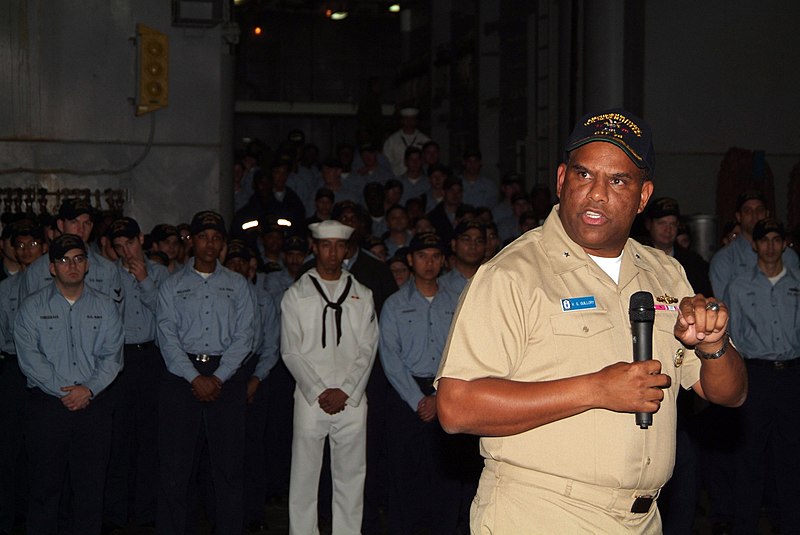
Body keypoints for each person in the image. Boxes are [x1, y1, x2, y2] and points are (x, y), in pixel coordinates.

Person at [435, 108, 748, 534]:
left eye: (617, 180)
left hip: (641, 519)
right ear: (562, 180)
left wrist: (714, 344)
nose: (596, 194)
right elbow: (456, 406)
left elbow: (728, 394)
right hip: (540, 514)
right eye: (584, 176)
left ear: (642, 196)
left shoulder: (665, 274)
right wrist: (596, 389)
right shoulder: (513, 274)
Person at [14, 233, 124, 535]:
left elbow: (112, 357)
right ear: (52, 268)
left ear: (87, 265)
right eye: (63, 260)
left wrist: (87, 389)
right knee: (44, 490)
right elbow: (30, 359)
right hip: (48, 408)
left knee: (90, 492)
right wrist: (68, 391)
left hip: (93, 406)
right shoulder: (32, 308)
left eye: (78, 259)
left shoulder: (105, 307)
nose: (71, 266)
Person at [156, 210, 256, 535]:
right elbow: (166, 336)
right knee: (176, 469)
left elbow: (246, 336)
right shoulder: (171, 286)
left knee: (228, 469)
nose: (209, 244)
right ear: (191, 241)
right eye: (203, 237)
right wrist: (194, 377)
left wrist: (218, 376)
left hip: (225, 376)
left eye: (216, 238)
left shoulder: (238, 285)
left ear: (223, 244)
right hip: (182, 376)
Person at [280, 220, 378, 535]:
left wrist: (346, 391)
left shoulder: (362, 294)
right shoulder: (296, 294)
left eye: (339, 245)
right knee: (304, 476)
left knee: (351, 477)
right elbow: (291, 350)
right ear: (315, 247)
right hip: (311, 399)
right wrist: (320, 390)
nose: (332, 252)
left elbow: (369, 347)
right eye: (326, 245)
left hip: (351, 399)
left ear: (347, 249)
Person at [379, 232, 463, 534]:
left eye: (435, 256)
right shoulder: (394, 304)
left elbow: (463, 351)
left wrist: (438, 396)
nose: (429, 263)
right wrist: (418, 399)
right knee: (404, 476)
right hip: (406, 398)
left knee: (446, 476)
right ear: (411, 260)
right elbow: (390, 358)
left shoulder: (457, 302)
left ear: (443, 261)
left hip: (447, 392)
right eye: (422, 256)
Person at [726, 217, 800, 534]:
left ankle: (791, 524)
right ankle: (744, 525)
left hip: (792, 376)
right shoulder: (740, 285)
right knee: (749, 456)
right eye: (764, 239)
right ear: (754, 244)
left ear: (784, 244)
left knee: (791, 456)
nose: (770, 245)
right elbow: (732, 336)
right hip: (755, 375)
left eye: (776, 239)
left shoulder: (797, 282)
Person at [103, 217, 170, 530]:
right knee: (118, 441)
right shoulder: (108, 275)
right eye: (118, 247)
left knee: (150, 440)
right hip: (119, 360)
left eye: (128, 243)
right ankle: (117, 513)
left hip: (150, 359)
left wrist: (145, 281)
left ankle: (146, 512)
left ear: (140, 240)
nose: (124, 251)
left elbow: (168, 316)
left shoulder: (160, 273)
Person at [0, 221, 47, 535]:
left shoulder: (57, 284)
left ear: (44, 247)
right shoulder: (5, 289)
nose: (27, 250)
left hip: (49, 373)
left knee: (43, 450)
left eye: (33, 244)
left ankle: (40, 518)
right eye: (21, 244)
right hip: (14, 370)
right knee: (9, 449)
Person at [20, 198, 123, 309]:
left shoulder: (107, 270)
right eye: (74, 222)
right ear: (61, 225)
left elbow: (116, 316)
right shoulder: (37, 271)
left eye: (86, 223)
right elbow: (26, 314)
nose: (81, 229)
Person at [710, 190, 799, 301]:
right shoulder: (725, 260)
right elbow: (723, 306)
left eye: (759, 210)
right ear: (738, 216)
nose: (754, 215)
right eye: (748, 211)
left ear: (767, 214)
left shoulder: (788, 256)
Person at [643, 197, 713, 297]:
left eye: (673, 224)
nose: (668, 229)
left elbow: (704, 296)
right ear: (649, 224)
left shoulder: (694, 263)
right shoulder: (637, 258)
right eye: (662, 223)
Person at [439, 220, 487, 296]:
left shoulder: (492, 281)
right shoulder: (440, 285)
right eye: (466, 240)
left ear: (485, 246)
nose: (473, 246)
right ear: (454, 244)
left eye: (479, 241)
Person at [383, 107, 430, 176]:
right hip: (397, 177)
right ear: (402, 121)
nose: (409, 121)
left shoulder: (425, 140)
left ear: (416, 121)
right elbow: (385, 162)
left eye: (412, 119)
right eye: (406, 119)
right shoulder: (392, 140)